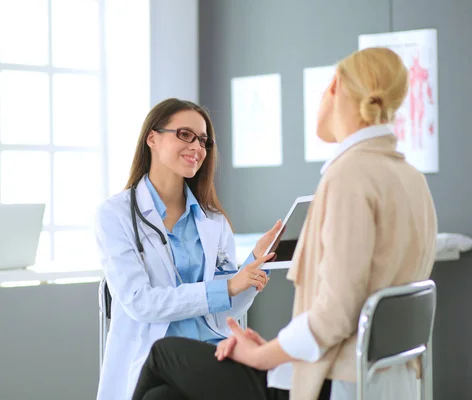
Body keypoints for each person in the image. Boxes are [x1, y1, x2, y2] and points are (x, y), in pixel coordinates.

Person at [131, 47, 438, 400]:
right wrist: (281, 349)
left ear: (335, 87)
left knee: (162, 354)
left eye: (202, 139)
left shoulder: (348, 177)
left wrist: (263, 356)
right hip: (384, 380)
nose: (197, 148)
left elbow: (335, 315)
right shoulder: (411, 177)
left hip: (328, 380)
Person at [95, 98, 282, 400]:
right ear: (152, 138)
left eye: (204, 140)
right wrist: (228, 286)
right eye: (185, 134)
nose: (197, 147)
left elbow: (226, 309)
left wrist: (253, 266)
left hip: (210, 351)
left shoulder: (213, 220)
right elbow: (140, 302)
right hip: (156, 359)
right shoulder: (115, 214)